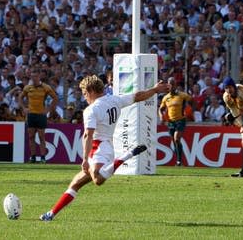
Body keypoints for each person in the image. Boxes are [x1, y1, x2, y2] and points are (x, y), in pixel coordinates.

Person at [39, 75, 170, 221]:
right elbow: (138, 96)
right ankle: (51, 214)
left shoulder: (91, 110)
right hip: (104, 147)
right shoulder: (115, 100)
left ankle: (126, 156)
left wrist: (85, 159)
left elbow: (88, 135)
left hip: (100, 148)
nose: (84, 98)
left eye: (84, 94)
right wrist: (155, 89)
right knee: (75, 184)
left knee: (98, 179)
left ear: (90, 91)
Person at [17, 67, 59, 163]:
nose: (34, 78)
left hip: (41, 114)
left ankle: (43, 158)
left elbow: (55, 98)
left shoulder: (45, 87)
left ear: (39, 77)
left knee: (41, 136)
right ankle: (33, 157)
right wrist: (24, 108)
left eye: (36, 76)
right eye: (32, 77)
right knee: (31, 136)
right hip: (31, 114)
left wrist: (48, 109)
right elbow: (20, 97)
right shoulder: (28, 88)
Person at [158, 77, 193, 166]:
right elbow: (161, 109)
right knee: (175, 141)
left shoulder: (182, 95)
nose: (171, 86)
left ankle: (179, 161)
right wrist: (161, 116)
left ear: (176, 85)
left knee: (176, 138)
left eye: (173, 84)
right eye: (170, 84)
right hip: (170, 121)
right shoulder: (166, 97)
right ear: (168, 85)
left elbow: (192, 101)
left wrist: (189, 111)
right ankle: (179, 160)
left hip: (180, 120)